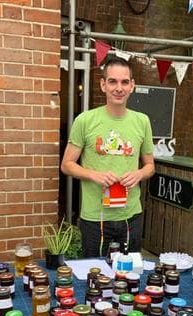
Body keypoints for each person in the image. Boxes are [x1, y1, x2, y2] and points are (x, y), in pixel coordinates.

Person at [61, 57, 155, 257]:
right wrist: (95, 175)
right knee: (95, 277)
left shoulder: (142, 121)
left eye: (124, 82)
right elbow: (67, 165)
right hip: (95, 217)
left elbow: (150, 166)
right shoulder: (85, 120)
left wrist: (139, 174)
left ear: (132, 86)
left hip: (131, 215)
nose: (118, 88)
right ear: (103, 85)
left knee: (129, 275)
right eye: (112, 81)